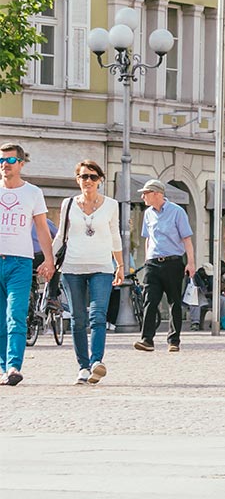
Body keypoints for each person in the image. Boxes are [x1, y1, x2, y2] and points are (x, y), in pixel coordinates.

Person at [52, 159, 123, 384]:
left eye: (93, 177)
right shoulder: (68, 204)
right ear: (78, 180)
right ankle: (83, 366)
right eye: (84, 177)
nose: (88, 181)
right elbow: (60, 235)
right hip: (72, 267)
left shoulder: (111, 205)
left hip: (102, 267)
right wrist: (49, 262)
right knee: (78, 318)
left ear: (100, 180)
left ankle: (96, 362)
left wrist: (120, 266)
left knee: (98, 315)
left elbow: (115, 236)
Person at [0, 143, 55, 385]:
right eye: (1, 161)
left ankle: (13, 366)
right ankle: (3, 367)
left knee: (16, 314)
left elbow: (42, 229)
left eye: (10, 161)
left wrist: (50, 259)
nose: (4, 165)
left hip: (20, 263)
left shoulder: (33, 193)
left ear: (21, 164)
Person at [133, 179, 195, 353]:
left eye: (146, 193)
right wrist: (146, 260)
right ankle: (147, 340)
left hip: (173, 262)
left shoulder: (177, 212)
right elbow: (148, 239)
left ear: (157, 194)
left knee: (174, 301)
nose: (143, 196)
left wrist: (191, 263)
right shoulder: (147, 214)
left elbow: (187, 239)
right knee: (149, 300)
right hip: (153, 263)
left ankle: (173, 340)